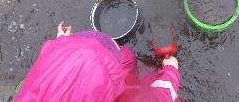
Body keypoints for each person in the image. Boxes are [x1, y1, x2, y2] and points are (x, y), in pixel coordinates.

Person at [14, 21, 180, 102]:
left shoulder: (32, 89)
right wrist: (171, 72)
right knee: (151, 84)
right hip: (135, 95)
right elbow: (162, 97)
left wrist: (62, 46)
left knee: (126, 56)